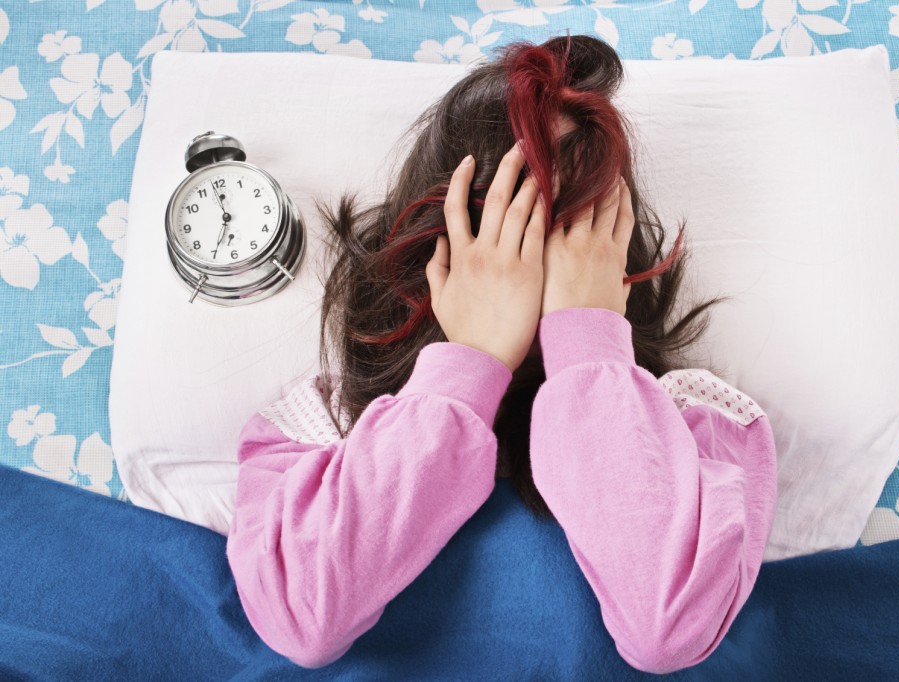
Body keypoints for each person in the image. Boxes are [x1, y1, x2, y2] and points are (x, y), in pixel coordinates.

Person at [225, 34, 777, 675]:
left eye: (571, 223)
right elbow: (302, 621)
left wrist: (588, 340)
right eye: (505, 220)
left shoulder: (705, 428)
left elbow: (668, 628)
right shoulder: (314, 429)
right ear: (441, 238)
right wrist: (470, 359)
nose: (533, 254)